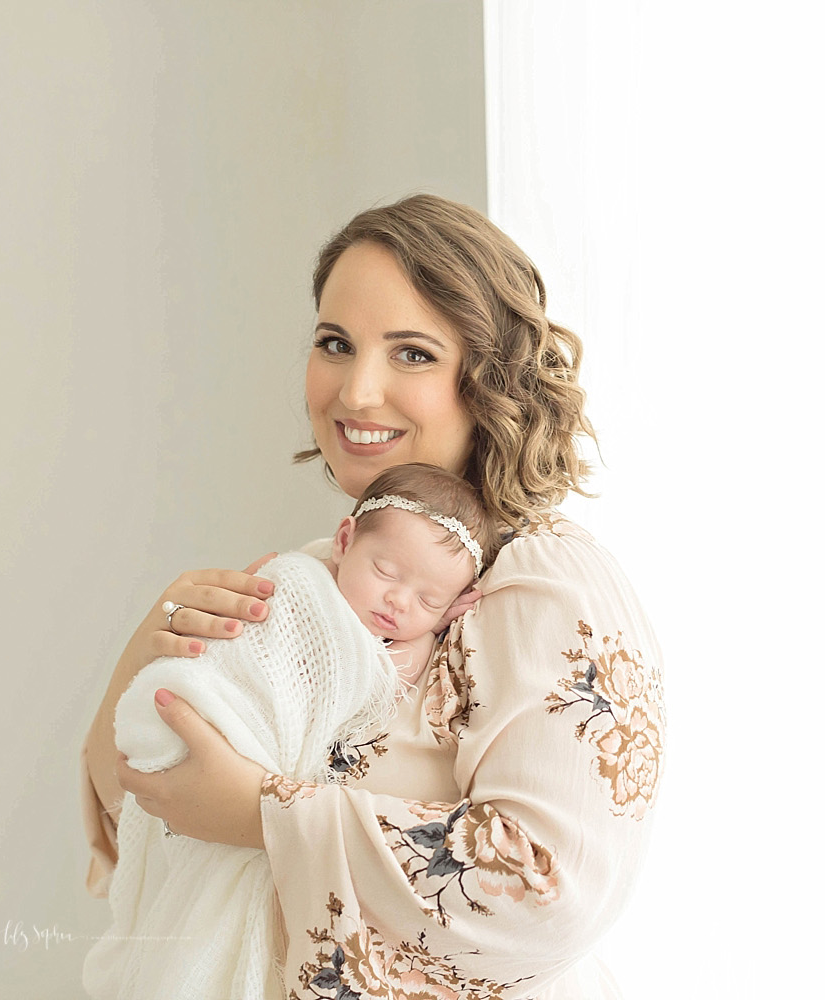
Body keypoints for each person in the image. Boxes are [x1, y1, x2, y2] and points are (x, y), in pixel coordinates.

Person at [81, 193, 665, 999]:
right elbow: (135, 825)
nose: (356, 392)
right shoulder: (313, 580)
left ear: (488, 379)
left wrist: (265, 815)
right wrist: (145, 659)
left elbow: (548, 888)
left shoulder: (543, 583)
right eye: (335, 343)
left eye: (413, 354)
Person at [85, 463, 500, 1000]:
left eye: (427, 601)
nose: (399, 602)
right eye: (386, 571)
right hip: (216, 716)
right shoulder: (300, 581)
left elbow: (381, 677)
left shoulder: (395, 636)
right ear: (344, 542)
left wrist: (431, 632)